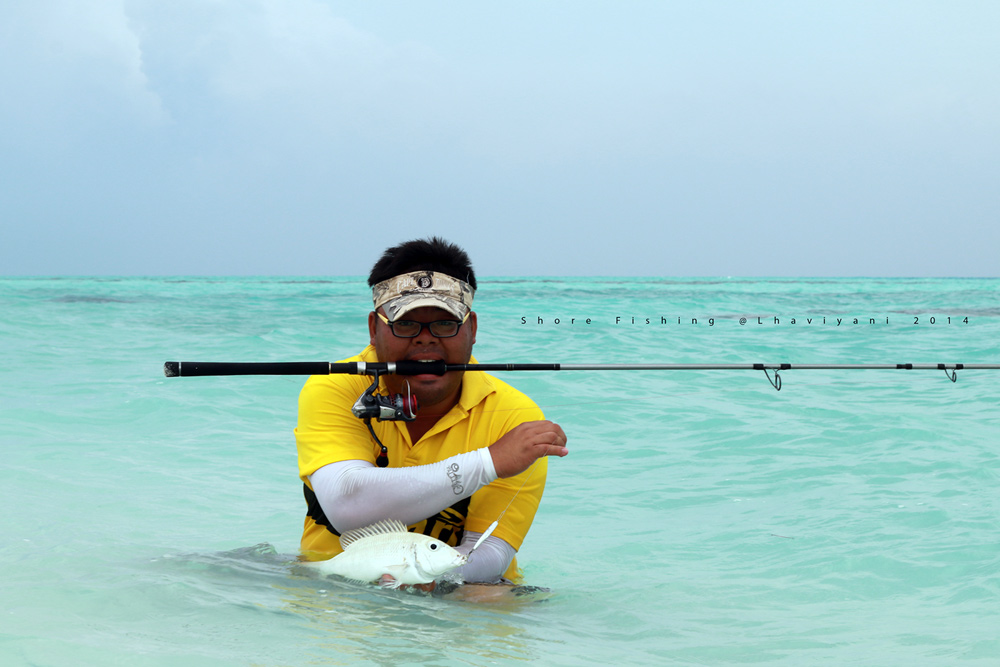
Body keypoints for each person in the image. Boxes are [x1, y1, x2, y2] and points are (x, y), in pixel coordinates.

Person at [295, 237, 568, 587]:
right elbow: (347, 505)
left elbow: (492, 554)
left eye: (445, 323)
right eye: (405, 324)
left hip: (456, 589)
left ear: (471, 329)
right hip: (337, 583)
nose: (426, 339)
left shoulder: (515, 416)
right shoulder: (334, 387)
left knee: (490, 598)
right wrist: (489, 463)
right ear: (374, 329)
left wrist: (425, 579)